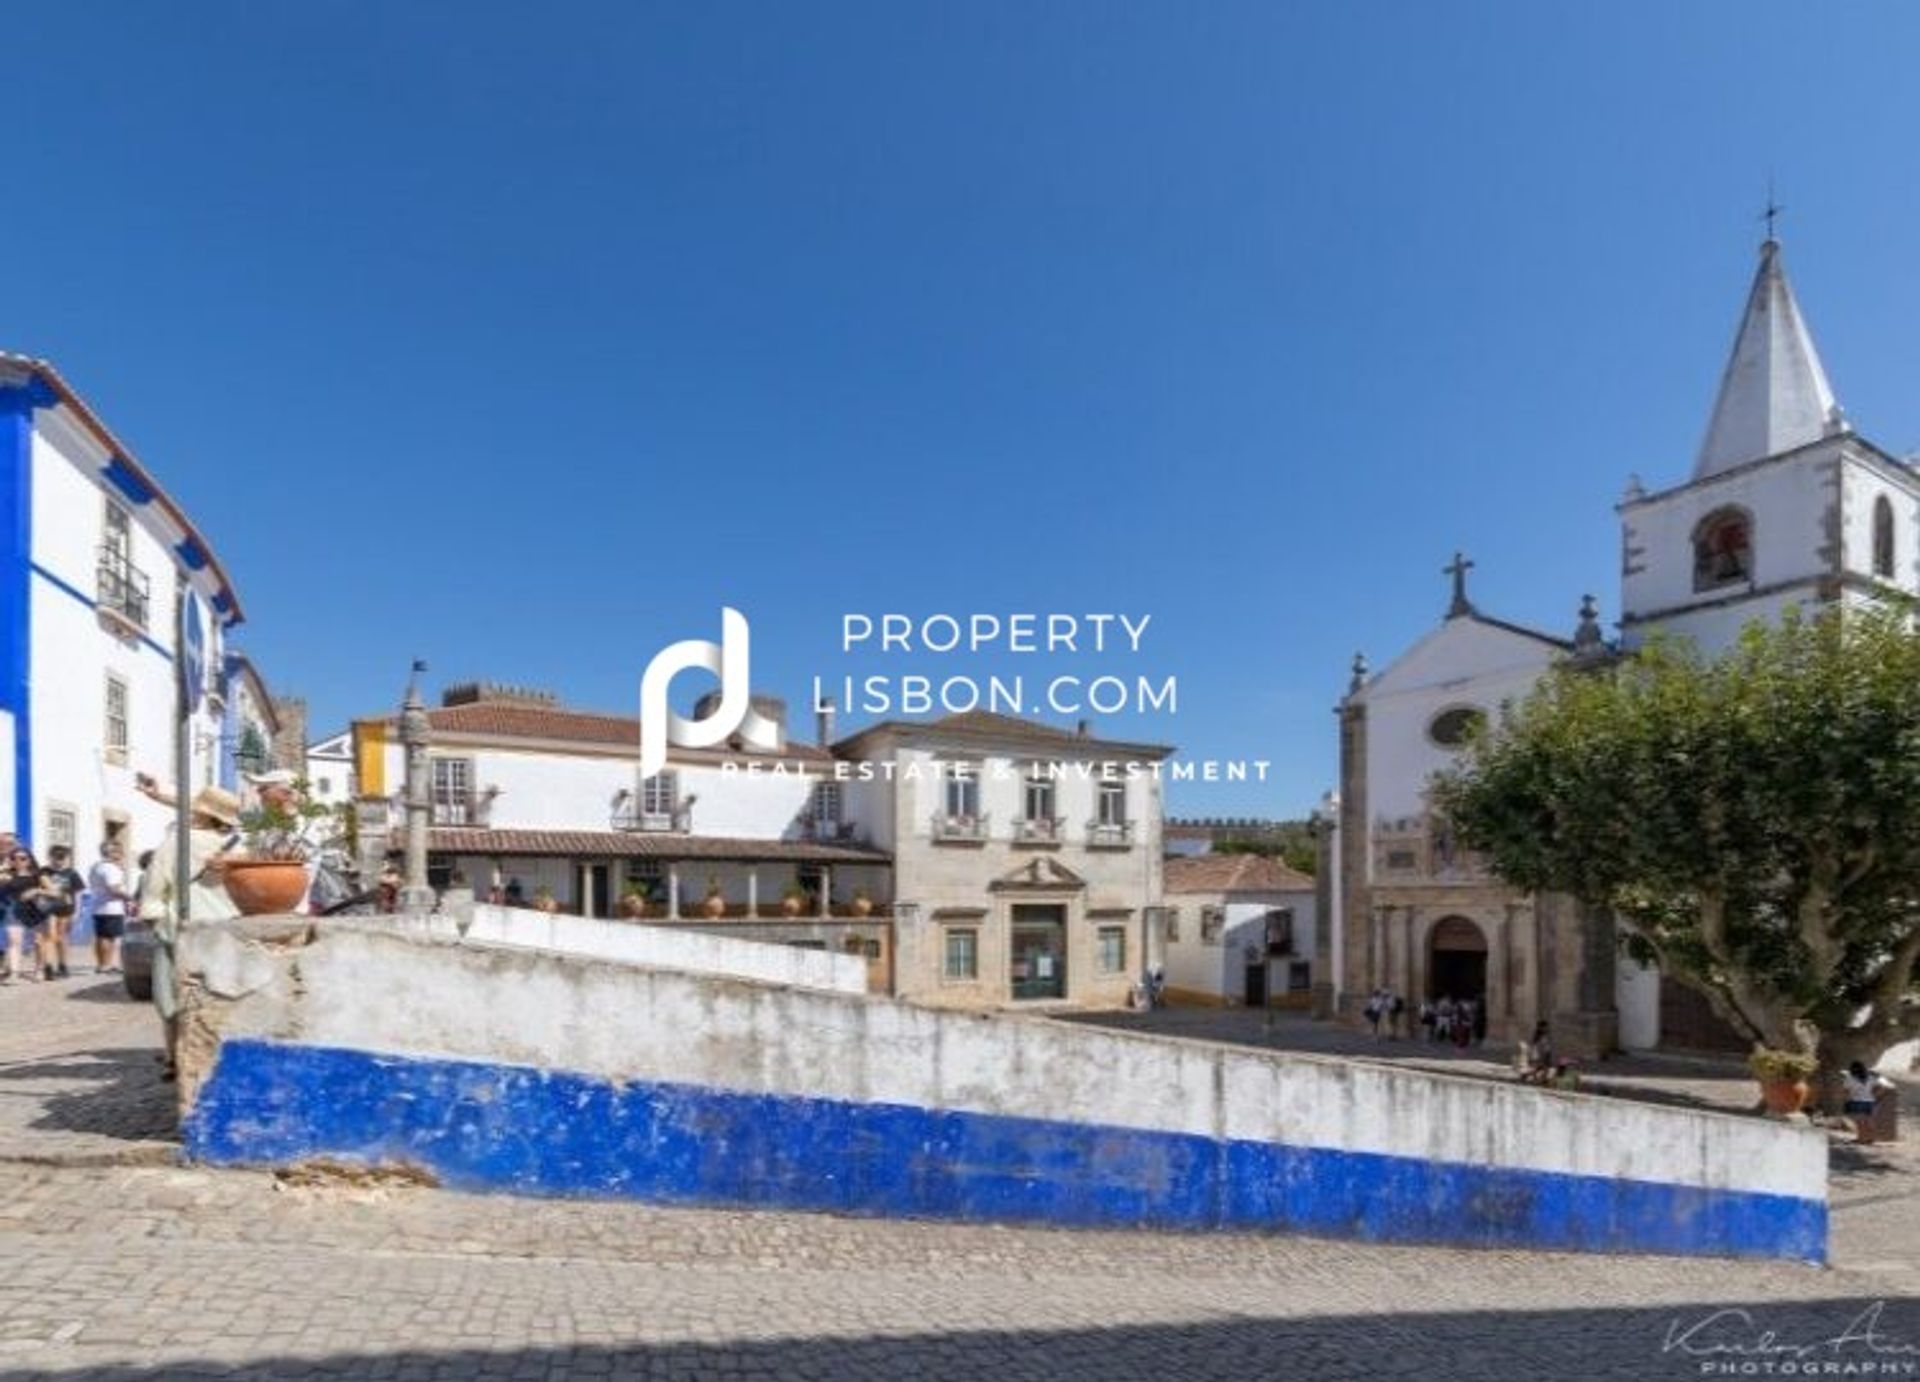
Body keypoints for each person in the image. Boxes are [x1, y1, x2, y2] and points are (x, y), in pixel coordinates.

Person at [139, 786, 243, 1081]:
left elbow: (154, 888)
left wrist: (153, 916)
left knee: (170, 997)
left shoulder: (176, 843)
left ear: (200, 812)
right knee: (218, 995)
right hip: (225, 930)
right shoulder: (238, 847)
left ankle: (175, 1056)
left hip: (181, 929)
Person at [3, 846, 59, 983]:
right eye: (14, 858)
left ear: (29, 860)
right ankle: (14, 974)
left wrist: (36, 891)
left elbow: (55, 892)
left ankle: (39, 970)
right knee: (14, 942)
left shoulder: (38, 875)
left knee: (38, 942)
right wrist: (4, 866)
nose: (18, 861)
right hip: (14, 910)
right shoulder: (7, 875)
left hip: (36, 910)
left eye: (23, 858)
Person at [88, 840, 134, 974]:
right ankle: (106, 965)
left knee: (101, 936)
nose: (122, 853)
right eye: (119, 850)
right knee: (109, 937)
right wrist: (130, 898)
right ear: (112, 853)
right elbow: (114, 889)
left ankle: (102, 964)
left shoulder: (96, 866)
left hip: (99, 905)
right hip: (111, 907)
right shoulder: (111, 869)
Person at [40, 845, 84, 979]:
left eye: (62, 857)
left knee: (62, 937)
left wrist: (77, 911)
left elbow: (78, 893)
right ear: (50, 857)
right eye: (56, 857)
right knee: (50, 936)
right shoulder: (44, 872)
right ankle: (48, 966)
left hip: (66, 908)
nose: (59, 861)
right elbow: (36, 887)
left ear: (66, 858)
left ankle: (63, 965)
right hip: (48, 907)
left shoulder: (72, 873)